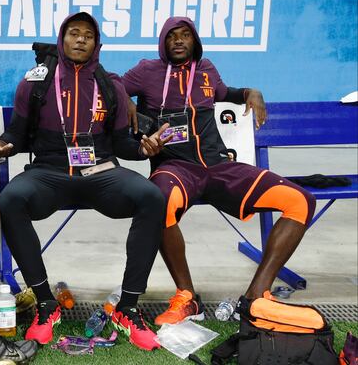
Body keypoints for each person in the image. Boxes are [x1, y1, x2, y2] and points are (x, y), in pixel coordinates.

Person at [0, 12, 169, 351]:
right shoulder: (35, 81)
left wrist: (143, 149)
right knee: (11, 198)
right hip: (50, 171)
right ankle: (46, 304)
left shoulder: (111, 84)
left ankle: (128, 308)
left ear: (97, 43)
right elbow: (18, 134)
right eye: (73, 33)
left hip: (100, 171)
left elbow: (122, 145)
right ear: (62, 39)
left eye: (88, 35)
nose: (80, 39)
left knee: (152, 197)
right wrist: (2, 145)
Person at [121, 16, 315, 326]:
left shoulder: (207, 69)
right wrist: (124, 101)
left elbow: (225, 92)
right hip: (175, 168)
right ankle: (187, 297)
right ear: (163, 43)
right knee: (156, 202)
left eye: (186, 35)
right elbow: (111, 83)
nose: (179, 41)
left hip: (218, 166)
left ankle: (255, 298)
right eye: (172, 37)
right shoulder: (148, 70)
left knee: (301, 201)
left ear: (195, 41)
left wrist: (251, 92)